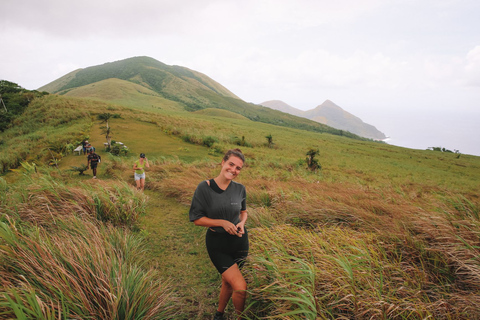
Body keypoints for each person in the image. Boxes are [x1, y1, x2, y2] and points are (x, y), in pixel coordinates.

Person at [189, 149, 248, 320]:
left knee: (228, 281)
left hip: (240, 242)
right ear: (222, 163)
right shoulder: (204, 188)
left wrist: (242, 223)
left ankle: (219, 314)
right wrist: (221, 222)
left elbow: (244, 212)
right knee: (240, 287)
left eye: (238, 168)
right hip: (217, 244)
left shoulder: (240, 189)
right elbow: (197, 219)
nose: (233, 170)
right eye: (231, 164)